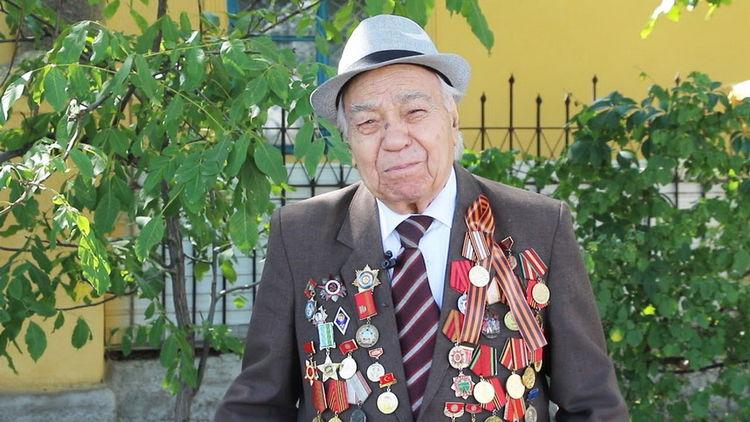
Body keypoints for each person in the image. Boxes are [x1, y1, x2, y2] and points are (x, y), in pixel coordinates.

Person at [215, 14, 629, 422]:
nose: (395, 140)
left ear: (452, 118)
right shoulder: (300, 236)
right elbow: (258, 405)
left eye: (415, 112)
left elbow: (593, 405)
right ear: (349, 142)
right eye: (368, 122)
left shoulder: (537, 226)